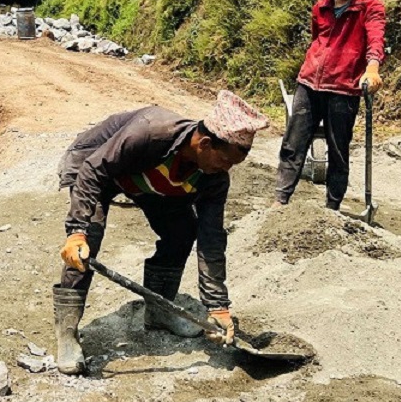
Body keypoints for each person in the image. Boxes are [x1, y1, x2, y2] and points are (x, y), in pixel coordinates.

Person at [54, 91, 270, 375]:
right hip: (96, 168)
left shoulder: (214, 178)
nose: (226, 169)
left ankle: (158, 311)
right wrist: (77, 231)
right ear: (205, 143)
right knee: (86, 242)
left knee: (182, 231)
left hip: (148, 179)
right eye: (224, 161)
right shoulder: (150, 132)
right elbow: (94, 170)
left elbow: (211, 238)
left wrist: (217, 305)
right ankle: (67, 333)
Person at [276, 0, 385, 211]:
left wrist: (372, 68)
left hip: (343, 88)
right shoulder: (322, 6)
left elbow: (375, 39)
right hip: (310, 82)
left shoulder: (370, 7)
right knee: (293, 144)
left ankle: (332, 207)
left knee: (338, 150)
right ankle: (280, 200)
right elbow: (317, 40)